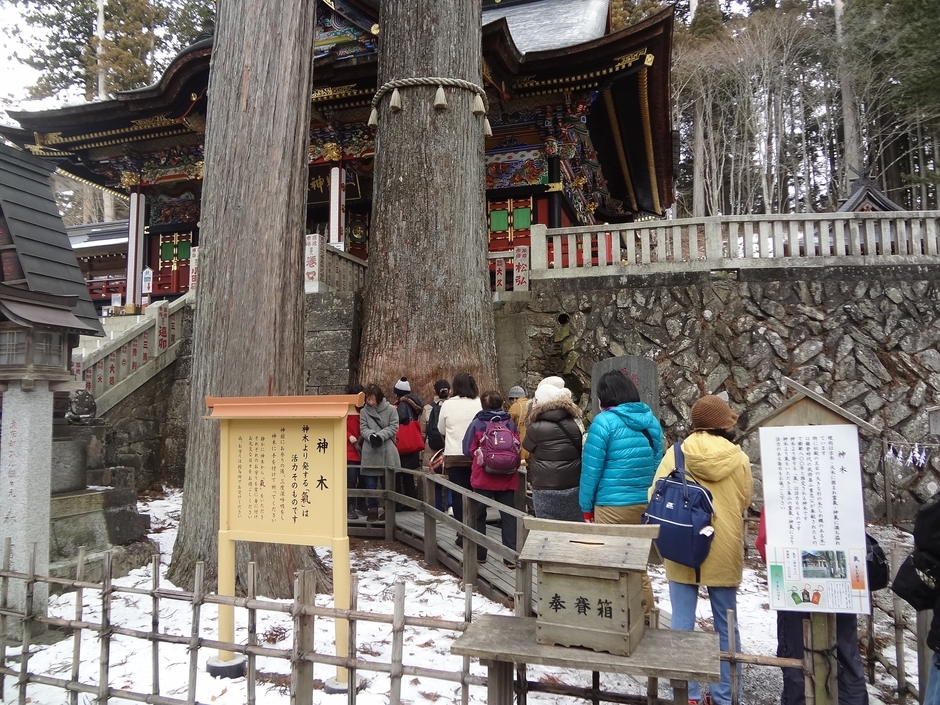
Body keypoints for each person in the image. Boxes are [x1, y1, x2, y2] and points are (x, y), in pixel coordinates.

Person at [650, 395, 752, 705]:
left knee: (682, 620)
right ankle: (725, 695)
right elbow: (745, 499)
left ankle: (687, 694)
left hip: (683, 542)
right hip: (723, 543)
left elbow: (655, 492)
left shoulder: (676, 453)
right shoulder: (738, 458)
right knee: (726, 622)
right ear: (724, 425)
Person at [756, 510, 870, 705]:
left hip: (795, 589)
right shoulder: (844, 483)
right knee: (846, 656)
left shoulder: (782, 487)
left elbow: (766, 543)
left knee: (799, 661)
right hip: (843, 582)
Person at [580, 370, 663, 615]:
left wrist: (586, 507)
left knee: (610, 564)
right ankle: (645, 614)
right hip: (643, 504)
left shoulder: (603, 423)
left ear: (605, 397)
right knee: (637, 566)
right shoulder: (651, 421)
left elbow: (591, 471)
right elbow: (658, 465)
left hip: (611, 505)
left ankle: (614, 618)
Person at [463, 390, 521, 566]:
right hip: (507, 477)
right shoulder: (509, 423)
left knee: (479, 514)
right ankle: (510, 557)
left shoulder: (477, 424)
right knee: (508, 516)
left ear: (483, 405)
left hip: (483, 477)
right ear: (501, 404)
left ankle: (480, 554)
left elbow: (467, 449)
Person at [437, 372, 483, 559]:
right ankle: (475, 529)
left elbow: (440, 428)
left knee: (457, 494)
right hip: (475, 456)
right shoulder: (479, 403)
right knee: (475, 493)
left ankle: (460, 532)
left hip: (454, 455)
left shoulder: (447, 404)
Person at [522, 383, 583, 521]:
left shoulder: (535, 427)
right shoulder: (575, 423)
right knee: (573, 527)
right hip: (573, 485)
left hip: (545, 487)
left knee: (547, 529)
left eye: (536, 400)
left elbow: (526, 447)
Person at [359, 383, 400, 523]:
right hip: (370, 450)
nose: (370, 402)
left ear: (378, 397)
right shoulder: (364, 411)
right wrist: (371, 436)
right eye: (368, 399)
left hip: (387, 450)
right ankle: (372, 509)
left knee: (388, 484)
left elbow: (394, 426)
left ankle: (389, 511)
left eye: (373, 399)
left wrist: (380, 435)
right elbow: (363, 428)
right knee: (370, 484)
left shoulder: (390, 410)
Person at [393, 377, 424, 509]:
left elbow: (401, 418)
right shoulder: (414, 404)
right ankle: (411, 503)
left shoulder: (403, 404)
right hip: (412, 445)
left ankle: (398, 503)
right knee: (408, 477)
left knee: (397, 475)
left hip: (402, 446)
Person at [424, 379, 452, 513]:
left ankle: (438, 508)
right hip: (449, 446)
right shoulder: (453, 406)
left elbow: (423, 430)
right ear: (449, 391)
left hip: (432, 448)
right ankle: (452, 505)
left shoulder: (428, 408)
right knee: (451, 476)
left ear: (434, 391)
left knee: (435, 476)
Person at [345, 383, 365, 520]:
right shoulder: (346, 409)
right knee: (351, 480)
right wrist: (350, 437)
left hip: (364, 449)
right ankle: (350, 506)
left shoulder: (366, 410)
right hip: (349, 450)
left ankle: (361, 504)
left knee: (363, 479)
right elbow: (340, 427)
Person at [507, 385, 529, 459]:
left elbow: (507, 424)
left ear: (514, 398)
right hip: (533, 444)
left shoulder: (515, 406)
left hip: (522, 444)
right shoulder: (532, 404)